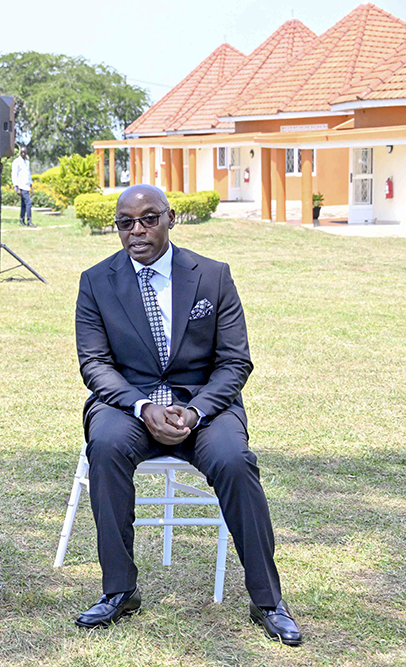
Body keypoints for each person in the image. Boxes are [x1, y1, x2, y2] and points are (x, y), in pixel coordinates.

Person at [73, 184, 302, 646]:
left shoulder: (212, 276)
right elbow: (94, 364)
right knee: (106, 447)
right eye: (125, 223)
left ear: (171, 218)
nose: (137, 231)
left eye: (149, 218)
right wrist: (143, 406)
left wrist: (195, 412)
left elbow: (235, 361)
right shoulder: (95, 281)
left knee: (236, 462)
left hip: (203, 406)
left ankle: (267, 600)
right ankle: (119, 590)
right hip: (130, 404)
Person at [11, 144, 35, 227]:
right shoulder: (16, 162)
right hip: (21, 186)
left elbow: (28, 174)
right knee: (29, 203)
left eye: (25, 152)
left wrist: (31, 187)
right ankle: (29, 221)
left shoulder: (27, 162)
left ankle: (21, 220)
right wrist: (16, 187)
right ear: (20, 153)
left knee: (24, 204)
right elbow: (14, 175)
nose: (23, 154)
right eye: (22, 152)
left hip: (27, 186)